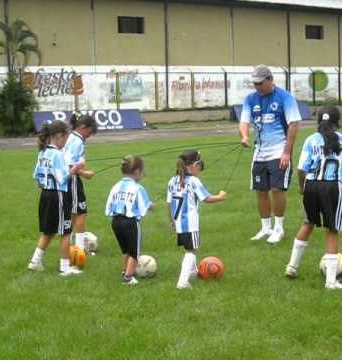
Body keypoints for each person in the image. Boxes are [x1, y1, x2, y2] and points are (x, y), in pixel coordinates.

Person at [285, 106, 342, 289]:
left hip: (311, 185)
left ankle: (291, 267)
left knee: (307, 224)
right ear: (339, 122)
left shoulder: (311, 139)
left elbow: (301, 169)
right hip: (332, 187)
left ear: (319, 121)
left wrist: (303, 187)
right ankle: (331, 281)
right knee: (332, 229)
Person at [239, 64, 301, 244]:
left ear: (270, 80)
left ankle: (278, 227)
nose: (257, 87)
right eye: (255, 83)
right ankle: (265, 228)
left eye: (260, 83)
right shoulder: (250, 99)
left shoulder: (285, 97)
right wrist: (244, 136)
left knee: (277, 189)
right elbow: (244, 121)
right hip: (259, 152)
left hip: (279, 150)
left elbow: (293, 125)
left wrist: (286, 153)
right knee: (260, 190)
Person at [28, 120, 85, 276]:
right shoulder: (57, 154)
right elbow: (63, 178)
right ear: (59, 136)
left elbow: (36, 175)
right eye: (65, 140)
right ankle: (65, 267)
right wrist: (76, 168)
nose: (65, 143)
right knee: (65, 231)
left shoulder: (42, 152)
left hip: (45, 194)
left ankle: (35, 261)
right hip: (58, 195)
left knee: (48, 231)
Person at [166, 149, 227, 289]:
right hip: (190, 224)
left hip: (179, 223)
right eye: (199, 165)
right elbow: (207, 198)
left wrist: (171, 221)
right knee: (191, 251)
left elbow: (168, 204)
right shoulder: (193, 181)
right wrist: (221, 196)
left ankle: (192, 272)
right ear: (193, 165)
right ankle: (182, 282)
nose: (200, 168)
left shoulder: (172, 180)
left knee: (190, 248)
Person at [105, 155, 154, 285]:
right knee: (134, 252)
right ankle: (128, 277)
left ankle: (125, 270)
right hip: (130, 222)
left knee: (125, 250)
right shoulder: (138, 188)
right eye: (142, 172)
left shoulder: (115, 186)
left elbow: (108, 206)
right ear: (137, 172)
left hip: (115, 222)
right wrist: (151, 206)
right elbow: (145, 207)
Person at [64, 113, 98, 252]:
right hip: (72, 180)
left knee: (74, 212)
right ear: (83, 127)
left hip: (67, 180)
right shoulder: (77, 141)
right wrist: (85, 174)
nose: (89, 136)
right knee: (81, 212)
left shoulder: (71, 137)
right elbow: (69, 164)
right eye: (89, 132)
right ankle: (79, 249)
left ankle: (74, 244)